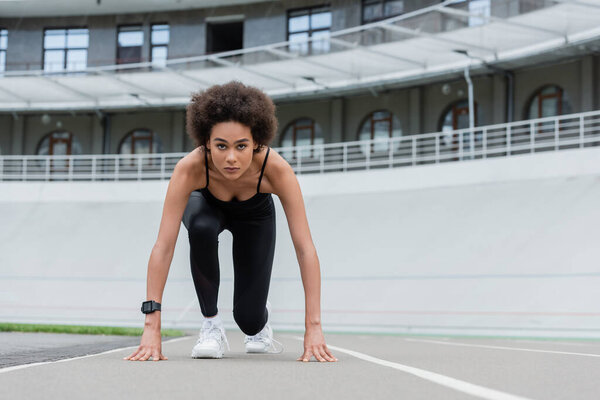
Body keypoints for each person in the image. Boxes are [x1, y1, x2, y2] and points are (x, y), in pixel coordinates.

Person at [124, 80, 337, 363]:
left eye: (242, 146)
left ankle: (260, 318)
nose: (231, 158)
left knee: (249, 319)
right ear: (206, 144)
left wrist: (314, 328)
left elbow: (305, 248)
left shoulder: (276, 170)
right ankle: (211, 326)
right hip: (206, 207)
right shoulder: (190, 168)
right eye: (221, 146)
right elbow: (163, 247)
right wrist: (151, 326)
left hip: (255, 215)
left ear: (257, 142)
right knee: (201, 227)